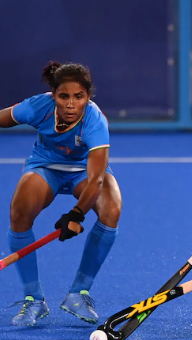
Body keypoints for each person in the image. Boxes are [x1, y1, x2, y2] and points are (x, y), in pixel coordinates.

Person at [0, 61, 122, 326]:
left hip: (84, 173)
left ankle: (78, 293)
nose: (70, 104)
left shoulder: (95, 120)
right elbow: (4, 118)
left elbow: (97, 179)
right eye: (63, 96)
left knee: (112, 208)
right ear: (53, 95)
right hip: (45, 167)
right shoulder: (37, 107)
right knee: (19, 211)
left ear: (88, 97)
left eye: (78, 97)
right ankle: (33, 299)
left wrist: (76, 214)